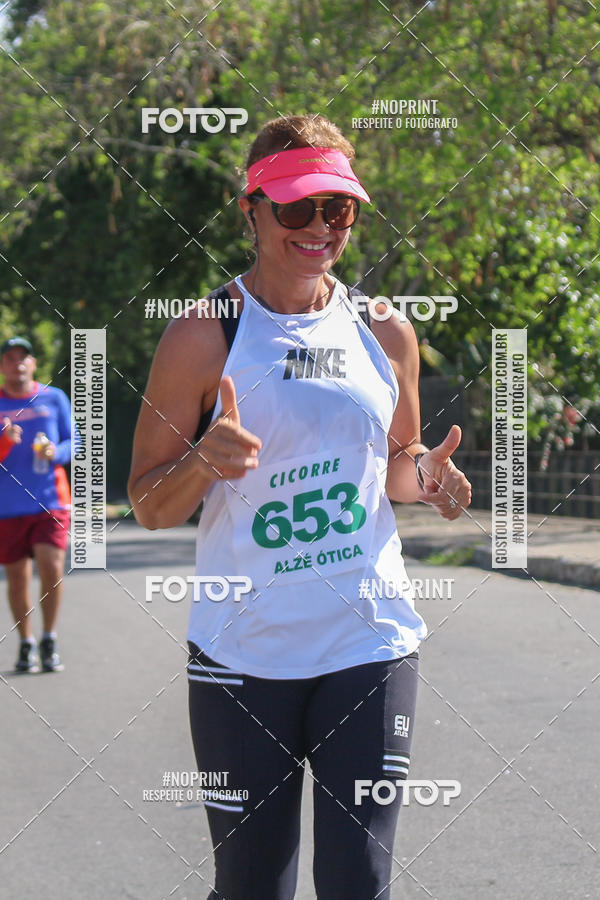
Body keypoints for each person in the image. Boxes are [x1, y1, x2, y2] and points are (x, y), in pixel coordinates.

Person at [128, 115, 472, 899]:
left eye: (338, 209)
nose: (318, 228)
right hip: (242, 652)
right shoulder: (204, 335)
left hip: (369, 639)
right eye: (295, 209)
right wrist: (202, 460)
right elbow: (148, 504)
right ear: (249, 208)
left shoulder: (385, 331)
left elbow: (395, 463)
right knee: (252, 883)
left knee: (359, 878)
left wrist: (429, 480)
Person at [0, 336, 72, 673]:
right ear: (2, 366)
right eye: (10, 358)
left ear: (33, 364)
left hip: (50, 502)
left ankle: (49, 637)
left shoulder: (53, 398)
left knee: (52, 567)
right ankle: (26, 641)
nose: (17, 364)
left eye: (23, 358)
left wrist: (54, 453)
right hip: (7, 507)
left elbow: (75, 442)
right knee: (16, 578)